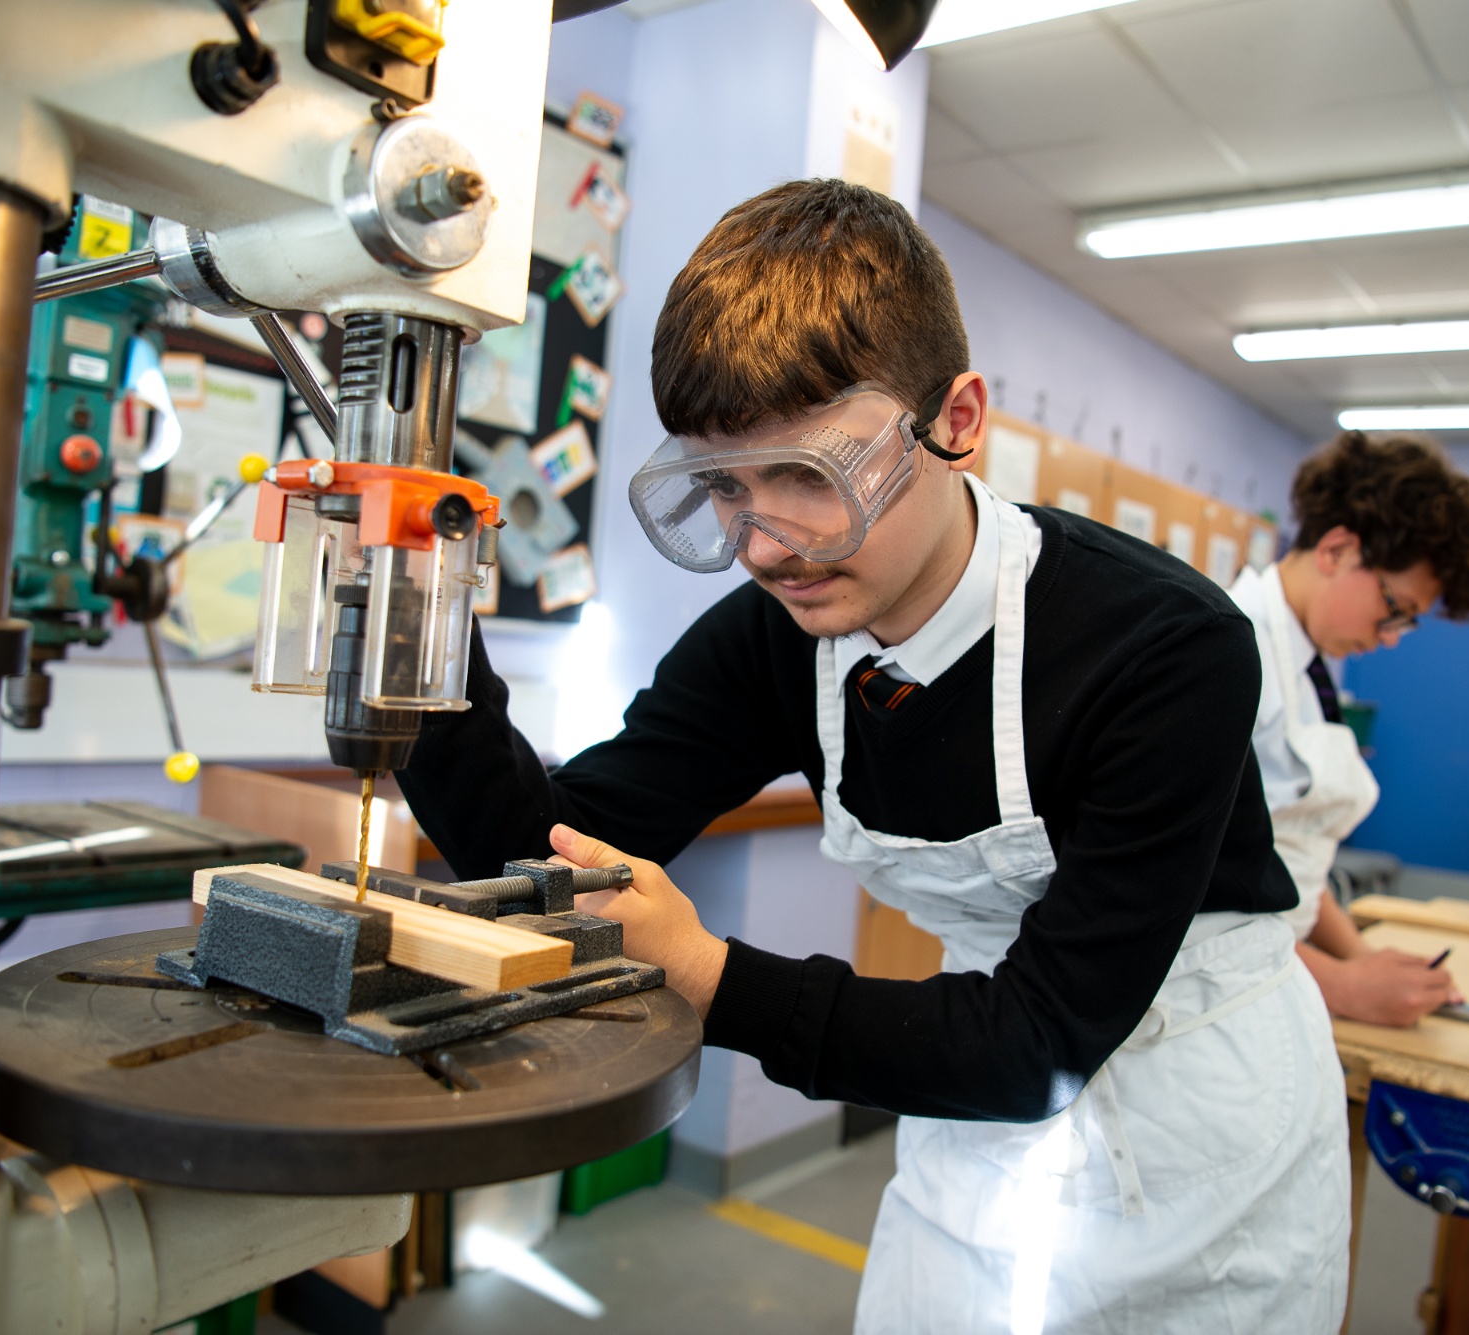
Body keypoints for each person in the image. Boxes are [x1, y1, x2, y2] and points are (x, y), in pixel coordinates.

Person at [399, 180, 1349, 1332]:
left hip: (1198, 1113)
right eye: (722, 488)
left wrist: (703, 972)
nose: (761, 546)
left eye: (808, 477)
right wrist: (415, 625)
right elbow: (543, 850)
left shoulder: (1165, 647)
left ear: (956, 418)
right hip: (968, 1088)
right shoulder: (778, 633)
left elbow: (1038, 1045)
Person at [1227, 431, 1469, 1027]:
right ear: (1336, 550)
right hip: (1221, 990)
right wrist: (1343, 985)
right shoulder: (1225, 655)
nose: (1389, 637)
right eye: (1395, 609)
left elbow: (1295, 854)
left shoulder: (1304, 665)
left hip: (1280, 967)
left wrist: (1362, 956)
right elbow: (1188, 894)